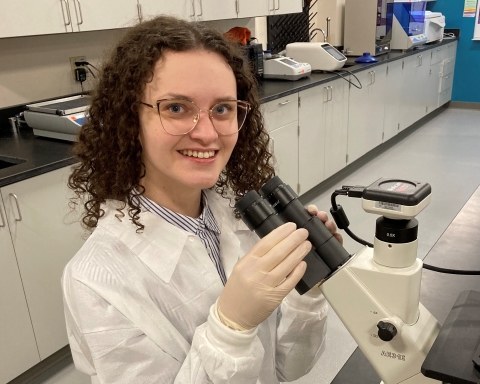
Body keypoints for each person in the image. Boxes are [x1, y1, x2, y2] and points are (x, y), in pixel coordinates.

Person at [63, 15, 342, 384]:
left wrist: (307, 291)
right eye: (176, 108)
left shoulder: (239, 219)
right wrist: (230, 328)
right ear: (130, 120)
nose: (208, 134)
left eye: (223, 108)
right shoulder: (96, 280)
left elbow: (289, 368)